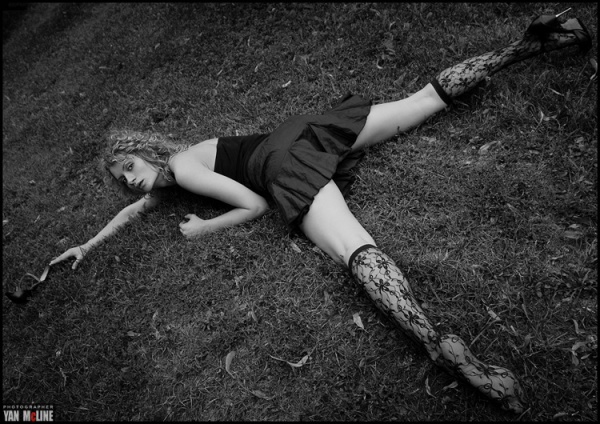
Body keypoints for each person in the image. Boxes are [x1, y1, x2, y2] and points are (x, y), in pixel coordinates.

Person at [50, 12, 592, 413]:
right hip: (303, 130)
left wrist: (204, 227)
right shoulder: (176, 169)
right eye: (121, 178)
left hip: (282, 166)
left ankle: (439, 345)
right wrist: (87, 245)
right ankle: (530, 43)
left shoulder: (184, 170)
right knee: (424, 99)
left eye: (128, 166)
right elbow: (136, 209)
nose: (129, 179)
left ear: (144, 151)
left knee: (354, 250)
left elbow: (255, 203)